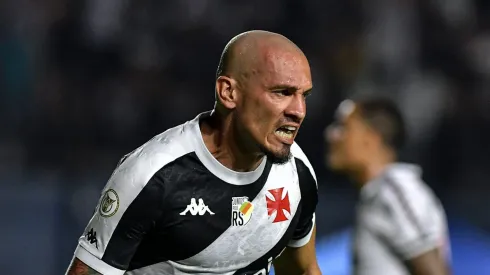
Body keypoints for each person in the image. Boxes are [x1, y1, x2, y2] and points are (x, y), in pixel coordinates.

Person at [66, 30, 321, 275]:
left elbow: (302, 270)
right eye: (282, 92)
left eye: (304, 95)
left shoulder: (297, 174)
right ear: (228, 92)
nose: (299, 110)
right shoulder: (153, 176)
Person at [325, 96, 451, 275]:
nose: (331, 135)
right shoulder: (377, 193)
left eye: (343, 127)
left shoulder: (395, 192)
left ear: (370, 139)